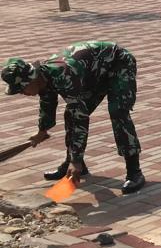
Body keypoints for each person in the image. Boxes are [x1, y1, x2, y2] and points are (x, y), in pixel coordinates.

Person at [2, 42, 145, 194]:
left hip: (118, 64)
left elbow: (80, 119)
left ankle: (134, 172)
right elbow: (47, 104)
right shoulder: (42, 78)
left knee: (118, 112)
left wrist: (75, 158)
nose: (22, 93)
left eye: (22, 89)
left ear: (32, 79)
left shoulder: (63, 74)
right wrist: (42, 131)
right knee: (70, 114)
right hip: (94, 73)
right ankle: (76, 165)